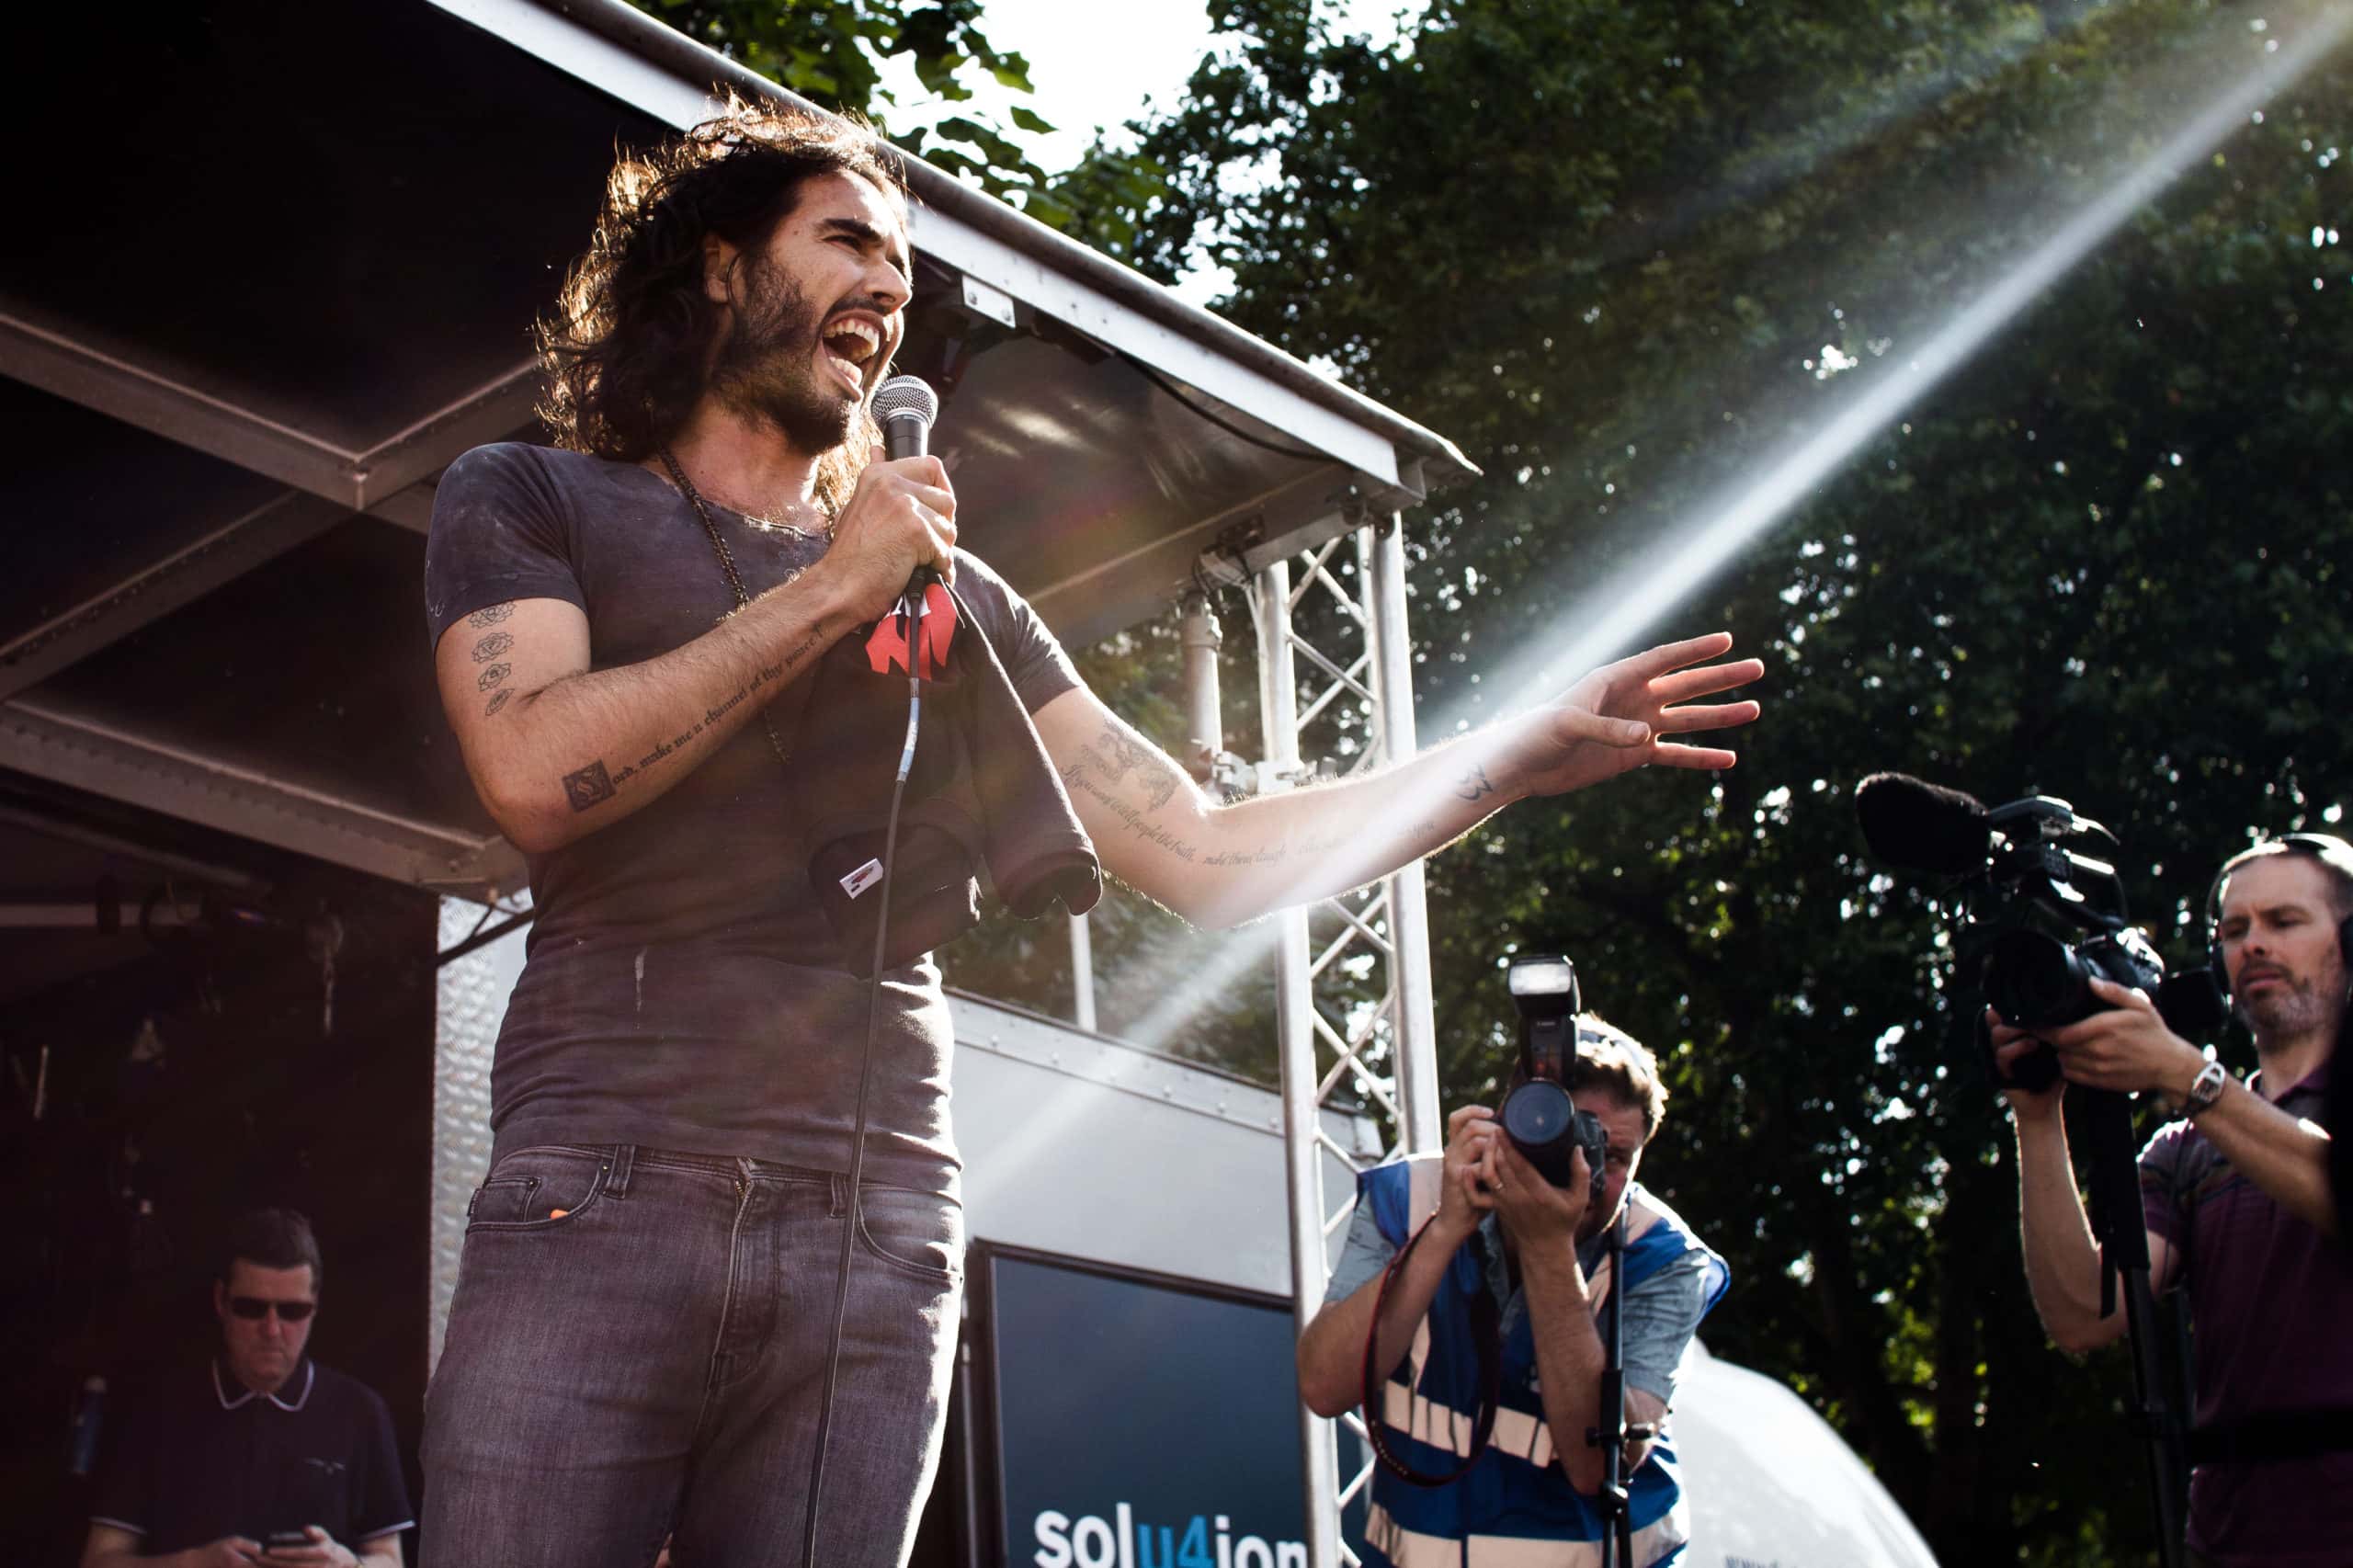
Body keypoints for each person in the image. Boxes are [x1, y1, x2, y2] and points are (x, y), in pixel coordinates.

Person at [418, 97, 1761, 1568]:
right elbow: (534, 767)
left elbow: (1202, 846)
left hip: (876, 1212)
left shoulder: (959, 596)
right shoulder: (536, 494)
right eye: (846, 239)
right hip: (608, 1174)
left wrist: (1508, 757)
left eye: (905, 271)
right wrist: (826, 588)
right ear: (722, 266)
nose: (886, 287)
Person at [1994, 834, 2353, 1564]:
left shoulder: (2202, 1102)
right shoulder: (2187, 1147)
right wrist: (2037, 1115)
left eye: (2284, 922)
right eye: (2233, 929)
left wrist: (2192, 1078)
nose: (2252, 945)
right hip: (2230, 1542)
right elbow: (2081, 1318)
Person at [1296, 1019, 1728, 1566]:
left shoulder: (1663, 1258)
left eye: (1614, 1158)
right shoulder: (1413, 1198)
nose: (1587, 1172)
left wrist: (1548, 1248)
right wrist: (1446, 1227)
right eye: (1571, 1142)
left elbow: (1599, 1467)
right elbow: (1324, 1387)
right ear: (1507, 1125)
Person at [82, 1209, 412, 1568]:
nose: (271, 1330)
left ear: (315, 1307)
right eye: (251, 1308)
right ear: (221, 1301)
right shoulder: (158, 1408)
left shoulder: (360, 1411)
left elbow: (390, 1559)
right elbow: (100, 1559)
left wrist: (347, 1566)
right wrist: (191, 1564)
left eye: (292, 1311)